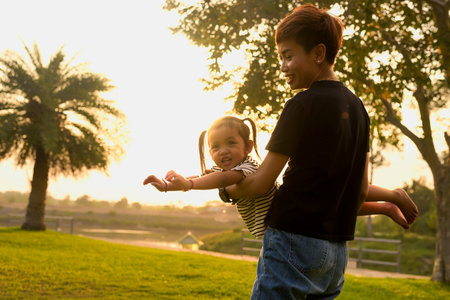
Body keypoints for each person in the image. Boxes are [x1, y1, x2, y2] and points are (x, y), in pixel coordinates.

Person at [216, 4, 418, 299]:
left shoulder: (300, 105)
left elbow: (260, 183)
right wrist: (389, 199)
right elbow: (358, 192)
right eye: (280, 57)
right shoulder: (359, 110)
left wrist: (226, 189)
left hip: (291, 242)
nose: (283, 66)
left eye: (288, 56)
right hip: (335, 254)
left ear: (318, 54)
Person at [143, 116, 416, 240]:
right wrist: (170, 185)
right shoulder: (224, 170)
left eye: (230, 143)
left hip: (286, 214)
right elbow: (208, 176)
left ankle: (392, 195)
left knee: (336, 199)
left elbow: (216, 180)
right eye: (215, 147)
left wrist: (188, 185)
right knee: (336, 206)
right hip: (283, 220)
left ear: (248, 146)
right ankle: (385, 206)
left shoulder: (247, 167)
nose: (222, 151)